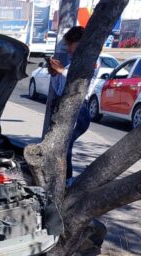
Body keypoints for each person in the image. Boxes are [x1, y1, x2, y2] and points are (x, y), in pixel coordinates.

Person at [44, 26, 98, 181]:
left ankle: (65, 180)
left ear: (80, 43)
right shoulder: (71, 64)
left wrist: (62, 71)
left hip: (79, 111)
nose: (67, 49)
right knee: (62, 146)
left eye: (70, 44)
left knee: (63, 145)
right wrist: (55, 75)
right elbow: (61, 89)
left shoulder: (91, 62)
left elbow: (82, 82)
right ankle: (61, 180)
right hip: (66, 110)